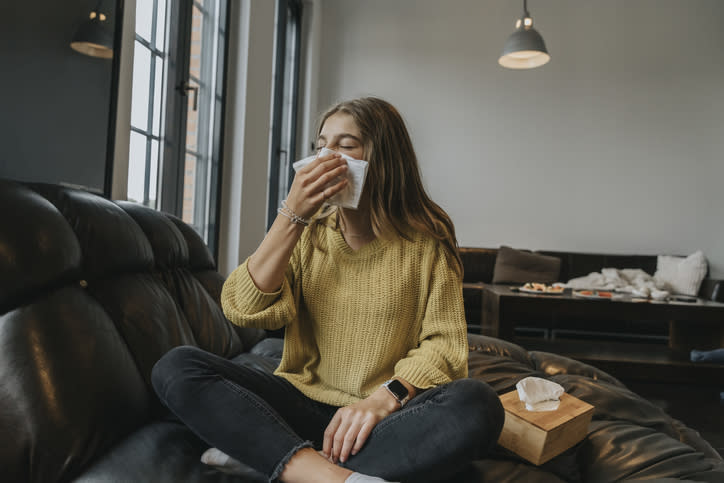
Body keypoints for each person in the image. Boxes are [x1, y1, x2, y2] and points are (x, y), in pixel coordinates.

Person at [151, 97, 504, 483]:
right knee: (177, 367)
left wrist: (381, 400)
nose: (325, 156)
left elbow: (444, 347)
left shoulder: (427, 242)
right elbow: (243, 309)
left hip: (380, 420)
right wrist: (291, 214)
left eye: (345, 144)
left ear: (382, 158)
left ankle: (275, 457)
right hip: (298, 403)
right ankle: (328, 476)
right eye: (321, 145)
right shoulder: (308, 233)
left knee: (478, 403)